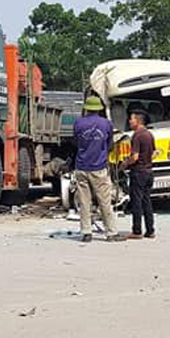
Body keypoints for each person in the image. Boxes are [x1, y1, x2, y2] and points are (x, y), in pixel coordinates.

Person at [72, 96, 123, 243]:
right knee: (104, 201)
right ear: (100, 109)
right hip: (99, 167)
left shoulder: (79, 123)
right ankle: (111, 233)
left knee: (84, 201)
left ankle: (86, 232)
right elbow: (110, 145)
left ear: (86, 108)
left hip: (81, 166)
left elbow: (76, 142)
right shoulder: (106, 124)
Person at [120, 112, 155, 239]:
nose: (129, 121)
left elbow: (134, 157)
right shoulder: (149, 134)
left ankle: (137, 230)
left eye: (131, 119)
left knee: (136, 202)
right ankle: (150, 230)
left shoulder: (137, 136)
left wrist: (125, 163)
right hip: (149, 171)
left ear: (138, 121)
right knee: (147, 201)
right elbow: (153, 152)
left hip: (139, 172)